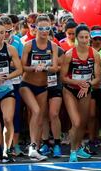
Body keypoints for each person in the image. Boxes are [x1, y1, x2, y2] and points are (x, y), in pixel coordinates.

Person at [60, 24, 101, 162]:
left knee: (83, 122)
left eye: (86, 37)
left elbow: (98, 78)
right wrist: (77, 83)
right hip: (70, 90)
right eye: (81, 37)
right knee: (76, 122)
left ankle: (78, 148)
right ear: (76, 38)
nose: (84, 40)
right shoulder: (70, 54)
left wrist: (88, 84)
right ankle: (72, 152)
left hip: (86, 90)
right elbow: (63, 77)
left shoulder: (94, 54)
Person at [20, 14, 58, 161]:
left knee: (40, 117)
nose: (44, 31)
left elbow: (55, 67)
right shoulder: (29, 45)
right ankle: (32, 145)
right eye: (41, 28)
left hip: (43, 86)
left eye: (47, 28)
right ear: (35, 29)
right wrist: (34, 67)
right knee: (35, 111)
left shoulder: (53, 46)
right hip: (27, 85)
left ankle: (35, 148)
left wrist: (46, 67)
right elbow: (22, 66)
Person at [0, 20, 22, 163]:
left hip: (7, 88)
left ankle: (6, 150)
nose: (0, 36)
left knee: (8, 119)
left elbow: (20, 70)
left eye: (2, 32)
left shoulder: (10, 49)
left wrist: (6, 77)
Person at [39, 30, 64, 158]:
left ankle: (57, 143)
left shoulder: (58, 50)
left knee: (54, 114)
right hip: (40, 85)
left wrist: (47, 67)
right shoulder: (35, 48)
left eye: (48, 35)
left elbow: (62, 66)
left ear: (52, 37)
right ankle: (45, 143)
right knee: (43, 115)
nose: (46, 37)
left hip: (55, 84)